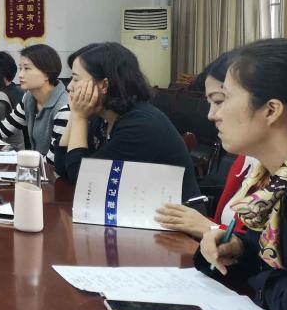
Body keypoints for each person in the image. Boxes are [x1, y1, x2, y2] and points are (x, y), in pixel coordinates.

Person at [197, 38, 287, 310]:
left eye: (224, 98)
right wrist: (237, 249)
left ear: (271, 110)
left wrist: (259, 272)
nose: (212, 115)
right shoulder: (273, 182)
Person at [54, 42, 201, 202]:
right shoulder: (102, 116)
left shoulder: (140, 125)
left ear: (104, 85)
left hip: (175, 215)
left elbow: (83, 178)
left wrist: (79, 117)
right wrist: (75, 115)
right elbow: (62, 167)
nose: (69, 86)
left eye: (76, 79)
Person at [155, 52, 252, 237]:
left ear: (271, 108)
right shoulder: (246, 159)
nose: (211, 115)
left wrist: (209, 228)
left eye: (219, 101)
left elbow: (261, 247)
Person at [0, 44, 69, 164]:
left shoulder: (64, 108)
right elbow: (4, 128)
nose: (20, 75)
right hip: (37, 167)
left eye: (27, 69)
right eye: (20, 68)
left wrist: (19, 159)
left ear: (47, 73)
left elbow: (52, 160)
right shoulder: (29, 97)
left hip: (53, 172)